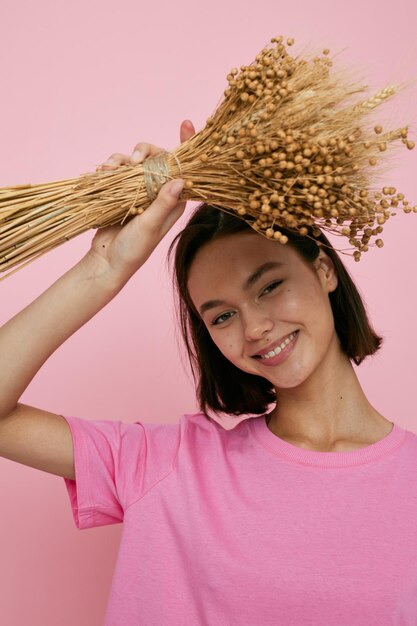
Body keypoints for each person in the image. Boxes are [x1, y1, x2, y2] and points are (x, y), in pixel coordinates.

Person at [0, 119, 416, 626]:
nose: (256, 327)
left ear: (324, 269)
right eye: (221, 315)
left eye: (269, 286)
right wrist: (104, 268)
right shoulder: (167, 466)